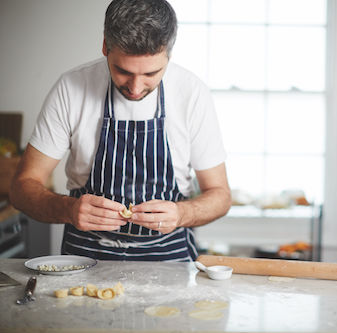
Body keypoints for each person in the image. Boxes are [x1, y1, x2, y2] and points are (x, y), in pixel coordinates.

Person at [9, 0, 231, 261]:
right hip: (86, 257)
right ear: (105, 46)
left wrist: (182, 214)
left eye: (151, 73)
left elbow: (220, 195)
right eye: (123, 71)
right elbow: (21, 188)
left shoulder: (191, 93)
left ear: (168, 55)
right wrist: (69, 209)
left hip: (169, 257)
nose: (136, 88)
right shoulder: (72, 88)